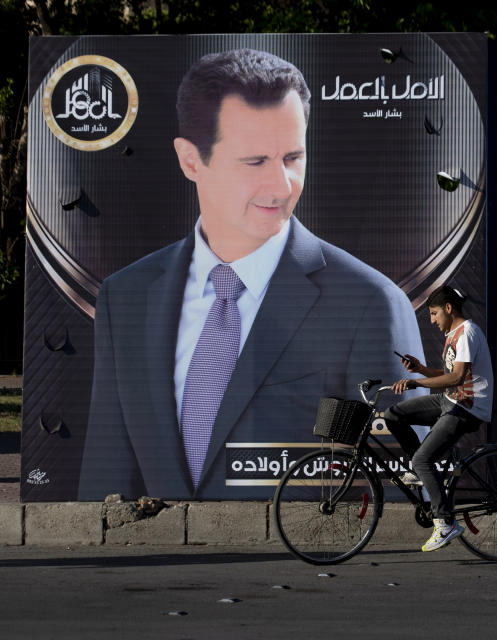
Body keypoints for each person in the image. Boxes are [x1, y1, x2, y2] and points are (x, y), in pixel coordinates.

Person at [78, 49, 424, 500]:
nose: (281, 186)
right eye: (255, 161)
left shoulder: (369, 303)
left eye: (293, 158)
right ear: (190, 161)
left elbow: (403, 484)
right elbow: (106, 482)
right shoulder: (125, 297)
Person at [384, 286, 494, 552]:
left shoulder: (467, 333)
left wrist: (415, 382)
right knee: (394, 415)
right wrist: (420, 369)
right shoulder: (453, 333)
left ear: (448, 308)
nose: (432, 320)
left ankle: (445, 523)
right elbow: (449, 373)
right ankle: (419, 471)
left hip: (467, 407)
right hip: (452, 400)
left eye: (434, 314)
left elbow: (456, 378)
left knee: (423, 458)